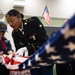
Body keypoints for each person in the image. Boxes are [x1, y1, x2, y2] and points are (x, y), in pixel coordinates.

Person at [5, 9, 53, 75]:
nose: (11, 24)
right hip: (32, 61)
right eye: (8, 23)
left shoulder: (33, 22)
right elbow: (19, 49)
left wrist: (26, 48)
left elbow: (43, 41)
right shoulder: (14, 34)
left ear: (19, 17)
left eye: (12, 21)